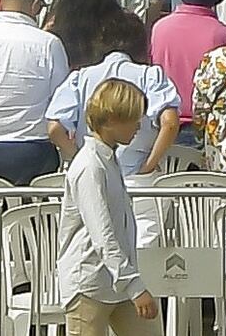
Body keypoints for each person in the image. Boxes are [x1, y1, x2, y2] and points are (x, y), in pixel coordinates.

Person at [56, 77, 153, 336]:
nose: (139, 125)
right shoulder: (90, 166)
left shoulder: (108, 158)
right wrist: (134, 285)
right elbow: (103, 234)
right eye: (133, 119)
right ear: (110, 120)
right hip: (89, 285)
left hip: (116, 281)